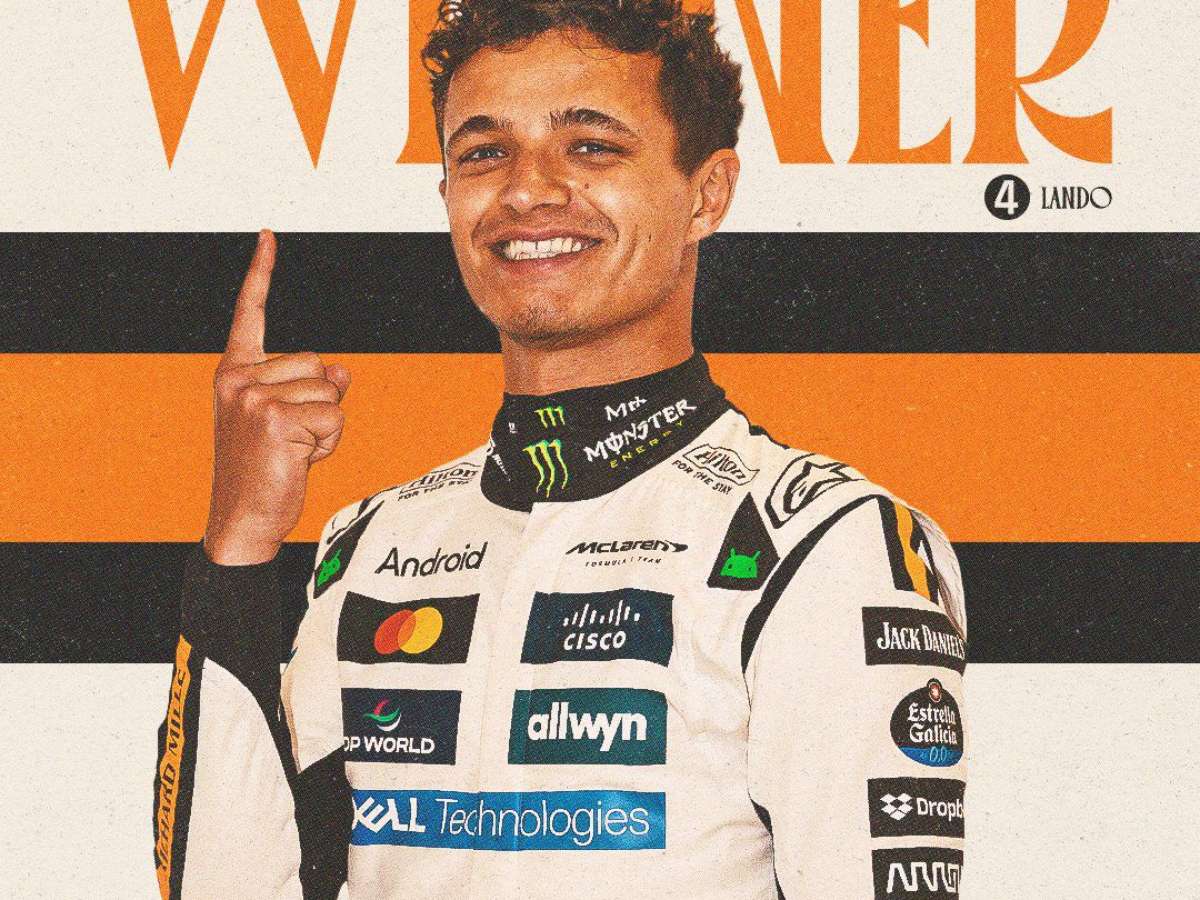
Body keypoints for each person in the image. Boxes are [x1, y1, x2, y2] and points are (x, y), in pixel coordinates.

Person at [152, 1, 968, 897]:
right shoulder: (374, 544)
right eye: (483, 153)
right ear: (447, 197)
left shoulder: (824, 542)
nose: (528, 191)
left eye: (591, 146)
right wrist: (238, 548)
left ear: (707, 194)